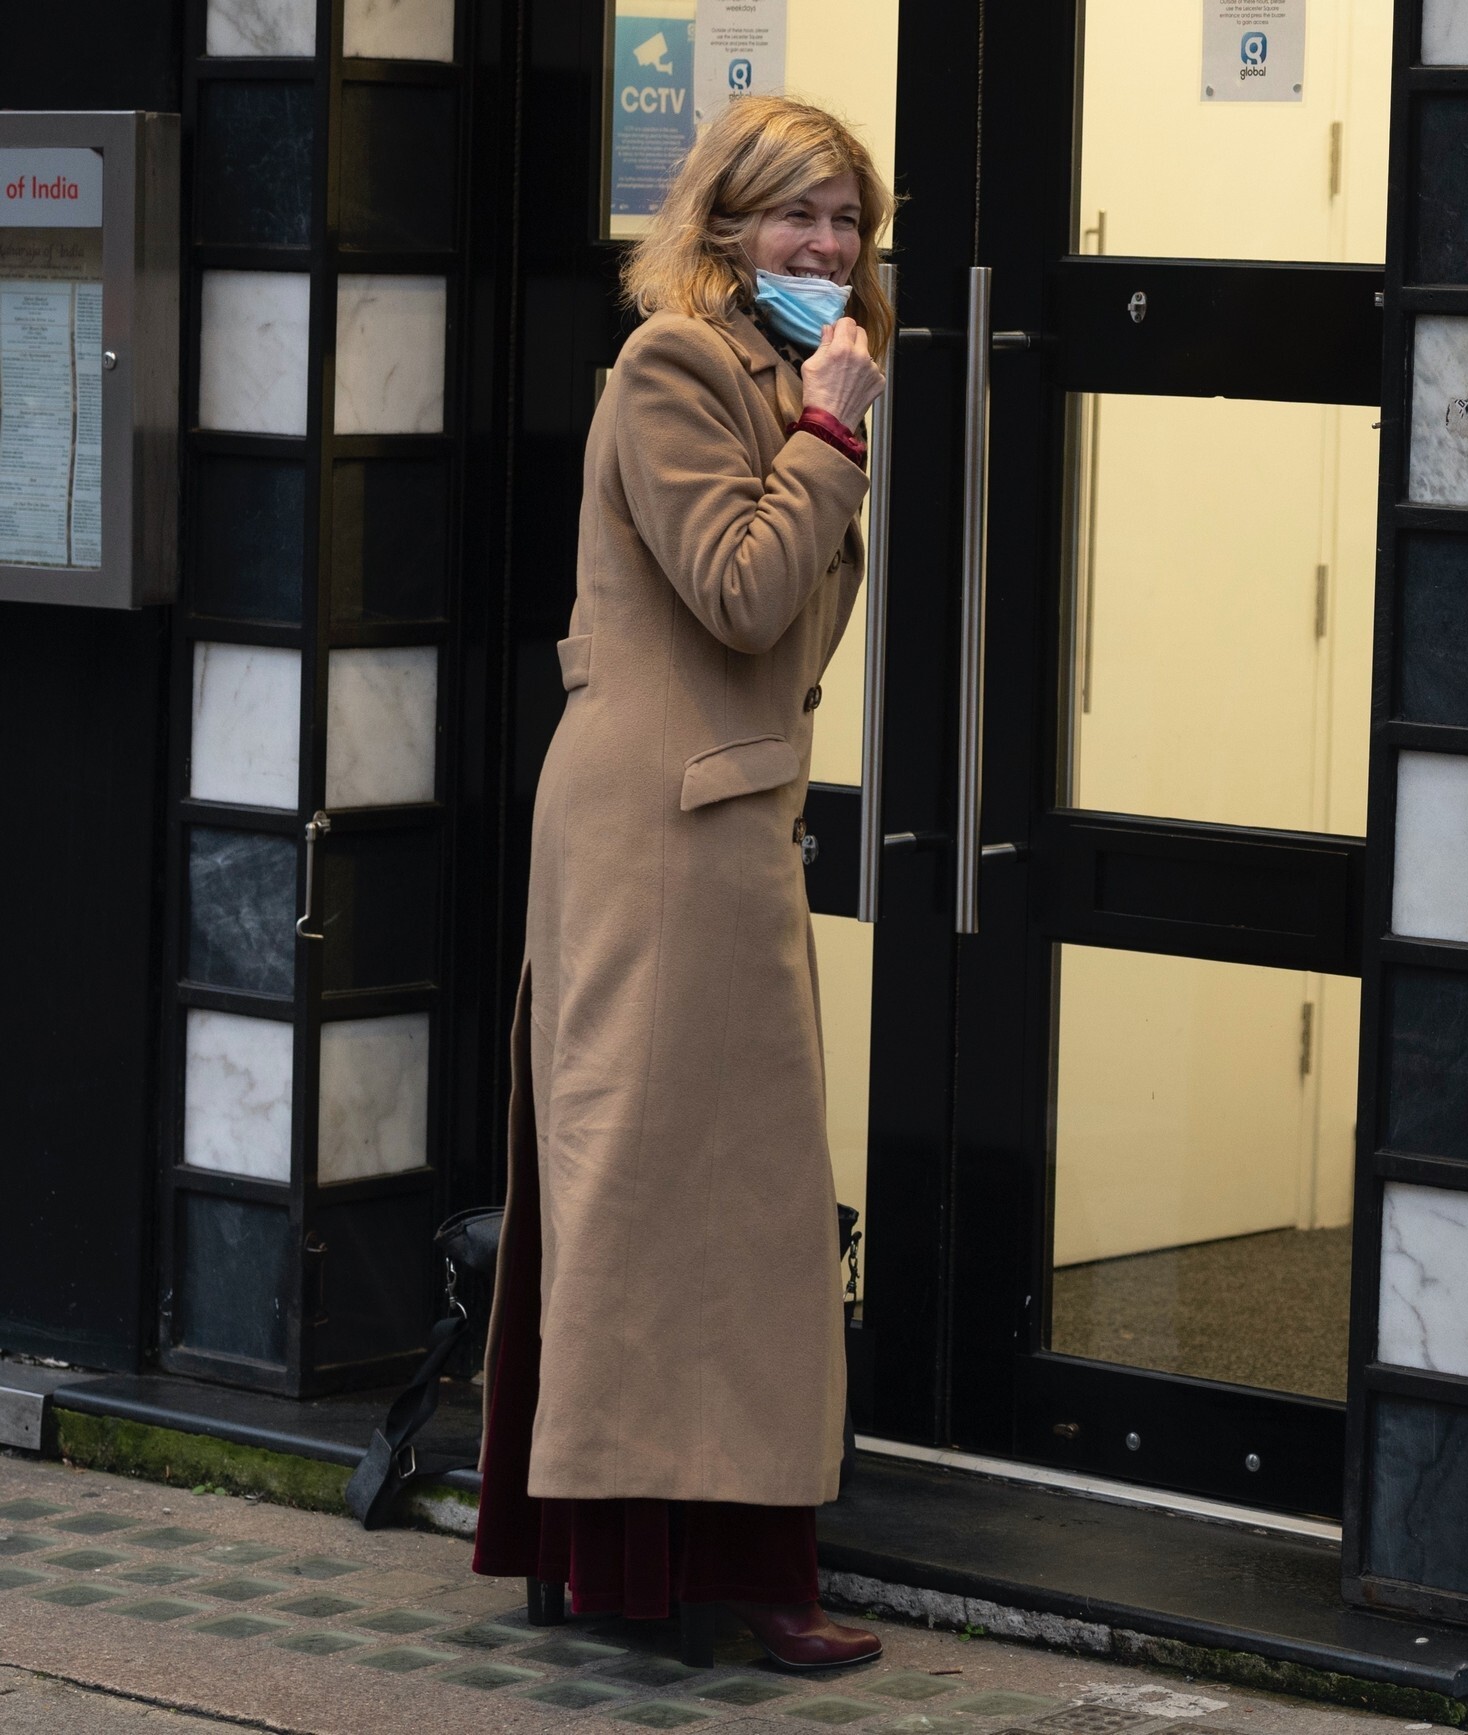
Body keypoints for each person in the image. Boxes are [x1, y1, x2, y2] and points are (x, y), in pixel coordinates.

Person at [472, 95, 893, 1672]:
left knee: (733, 1205)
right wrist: (832, 435)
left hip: (721, 815)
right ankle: (650, 1565)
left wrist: (823, 418)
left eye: (849, 220)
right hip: (659, 830)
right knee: (657, 1196)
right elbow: (740, 592)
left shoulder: (786, 370)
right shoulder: (679, 364)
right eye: (798, 214)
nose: (828, 247)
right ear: (723, 224)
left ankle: (707, 1559)